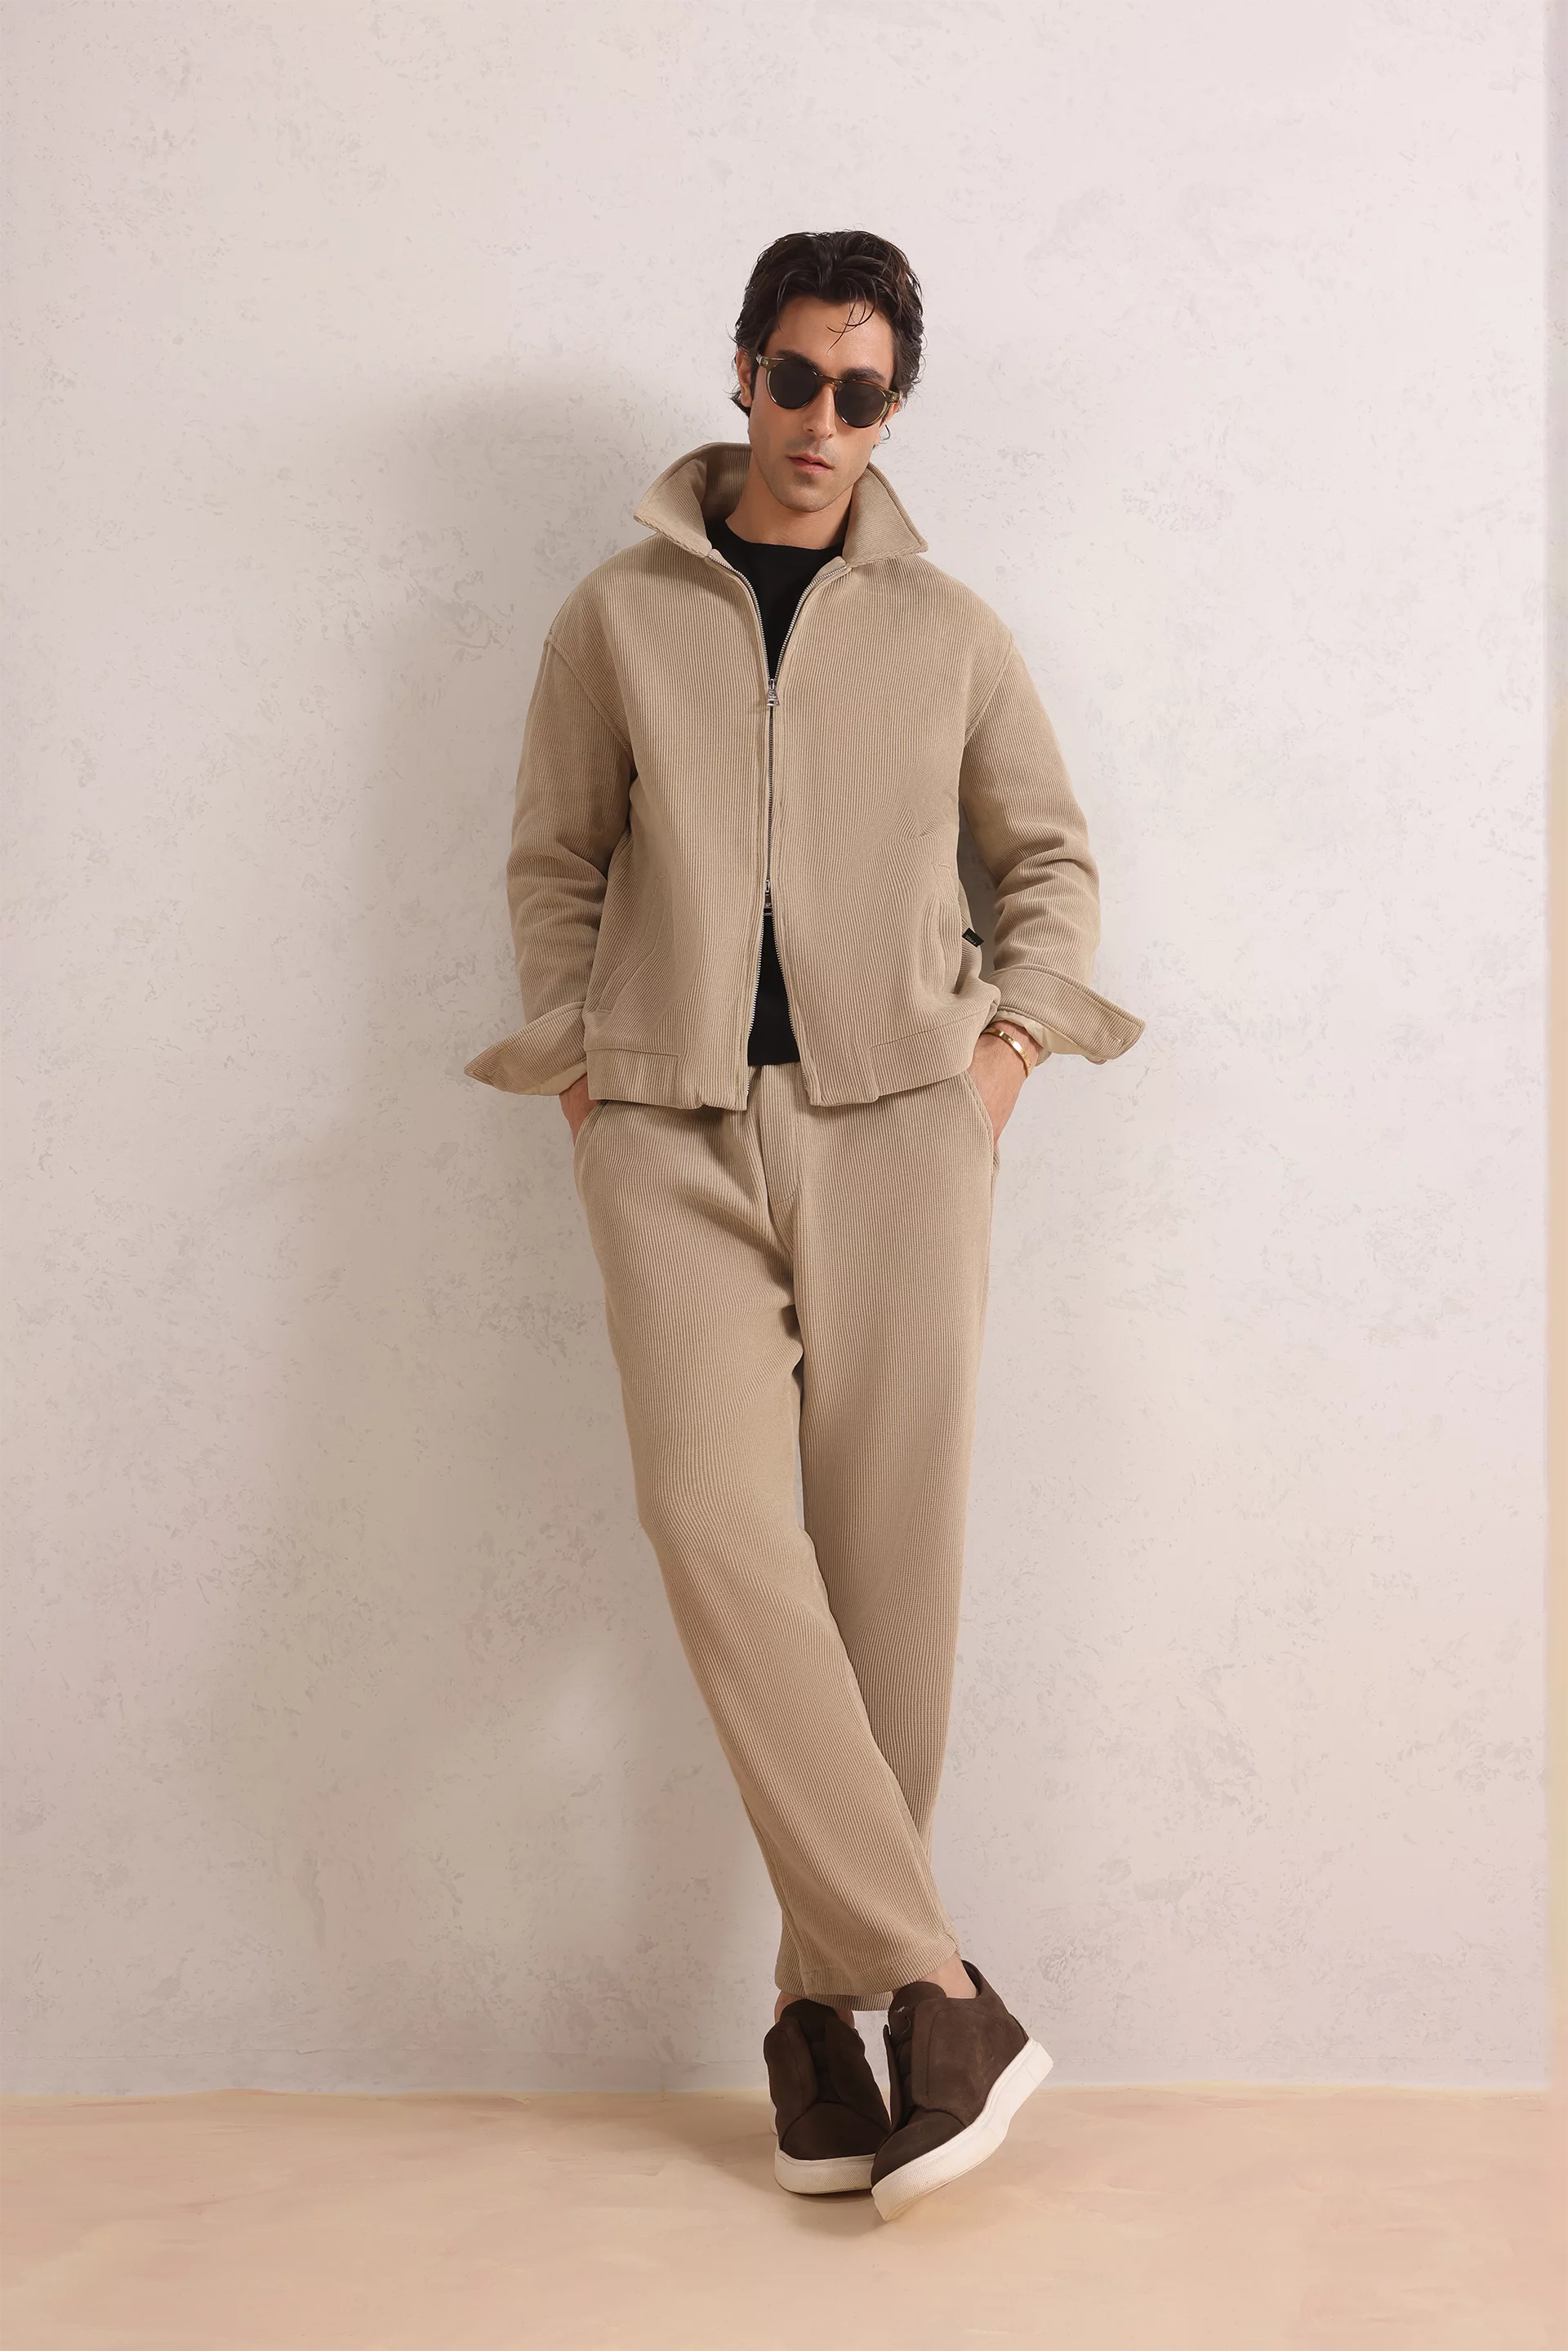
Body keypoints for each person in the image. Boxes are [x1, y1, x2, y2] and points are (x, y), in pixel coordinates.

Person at [466, 229, 1143, 2220]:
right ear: (741, 374)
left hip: (903, 1129)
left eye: (862, 392)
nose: (821, 423)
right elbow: (554, 860)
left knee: (888, 1577)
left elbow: (1049, 861)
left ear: (892, 406)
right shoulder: (614, 615)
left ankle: (817, 2031)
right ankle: (938, 1985)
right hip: (665, 1124)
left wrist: (999, 1062)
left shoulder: (950, 629)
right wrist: (585, 1078)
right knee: (713, 1518)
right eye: (793, 378)